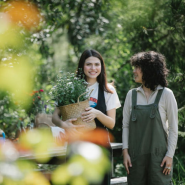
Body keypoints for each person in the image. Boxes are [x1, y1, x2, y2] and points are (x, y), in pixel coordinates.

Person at [52, 49, 121, 184]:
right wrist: (64, 125)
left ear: (102, 66)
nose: (93, 68)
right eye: (89, 64)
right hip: (76, 146)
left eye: (97, 64)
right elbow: (54, 117)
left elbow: (111, 124)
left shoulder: (108, 90)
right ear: (82, 66)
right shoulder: (69, 88)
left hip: (100, 148)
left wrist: (97, 113)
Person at [122, 51, 178, 185]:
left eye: (137, 67)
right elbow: (126, 126)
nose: (134, 71)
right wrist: (125, 152)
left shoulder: (166, 94)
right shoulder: (131, 95)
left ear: (148, 69)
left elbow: (173, 128)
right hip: (135, 160)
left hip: (159, 160)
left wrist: (169, 155)